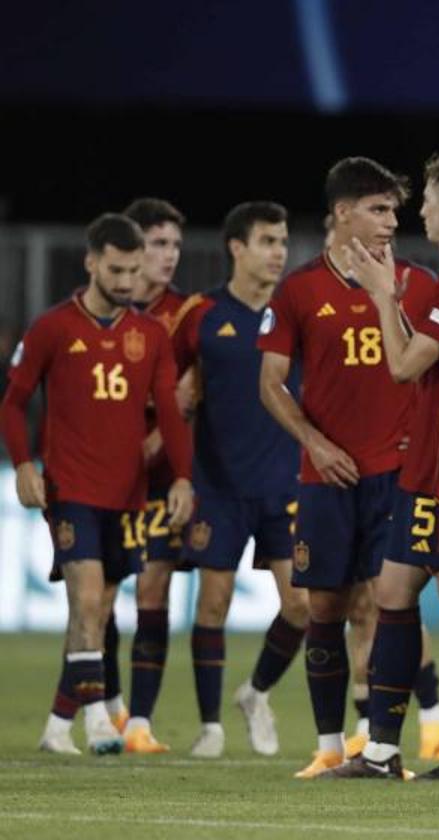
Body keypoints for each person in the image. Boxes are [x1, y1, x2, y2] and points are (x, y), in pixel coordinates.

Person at [327, 153, 439, 783]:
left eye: (428, 200)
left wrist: (381, 298)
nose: (420, 211)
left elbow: (404, 366)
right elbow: (434, 357)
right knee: (392, 591)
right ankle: (380, 751)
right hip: (431, 465)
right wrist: (400, 302)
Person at [257, 157, 439, 778]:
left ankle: (378, 744)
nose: (392, 222)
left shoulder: (418, 282)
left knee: (385, 606)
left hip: (397, 473)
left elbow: (437, 369)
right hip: (327, 477)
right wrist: (312, 440)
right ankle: (329, 747)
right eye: (378, 209)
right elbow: (271, 383)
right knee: (325, 609)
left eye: (394, 210)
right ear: (341, 212)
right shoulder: (300, 290)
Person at [1, 213, 193, 755]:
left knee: (97, 612)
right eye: (117, 269)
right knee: (87, 601)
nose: (128, 281)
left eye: (134, 270)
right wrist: (23, 463)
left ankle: (57, 728)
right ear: (91, 263)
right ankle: (98, 721)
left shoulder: (149, 334)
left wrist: (181, 476)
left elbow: (172, 419)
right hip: (70, 488)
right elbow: (13, 403)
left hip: (127, 493)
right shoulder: (54, 328)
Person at [168, 201, 308, 757]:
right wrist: (177, 399)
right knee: (212, 603)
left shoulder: (295, 312)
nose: (279, 252)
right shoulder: (201, 313)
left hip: (285, 483)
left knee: (301, 607)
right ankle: (210, 728)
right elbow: (166, 380)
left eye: (282, 241)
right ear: (237, 247)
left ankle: (256, 692)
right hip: (218, 487)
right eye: (268, 241)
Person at [121, 197, 190, 753]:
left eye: (174, 246)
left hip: (163, 478)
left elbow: (187, 399)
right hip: (103, 476)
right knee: (91, 595)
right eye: (156, 244)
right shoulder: (99, 315)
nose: (168, 256)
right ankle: (105, 709)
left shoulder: (185, 315)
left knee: (153, 586)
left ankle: (140, 721)